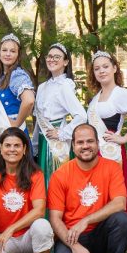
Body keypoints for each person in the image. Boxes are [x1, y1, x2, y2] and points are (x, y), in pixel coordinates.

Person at [47, 123, 127, 253]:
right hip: (72, 235)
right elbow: (55, 219)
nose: (85, 146)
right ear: (73, 146)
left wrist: (86, 220)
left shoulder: (111, 168)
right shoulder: (61, 175)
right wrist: (75, 246)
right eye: (80, 142)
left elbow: (120, 203)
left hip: (100, 232)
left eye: (90, 141)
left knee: (123, 220)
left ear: (97, 143)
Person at [86, 51, 127, 212]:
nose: (101, 71)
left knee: (112, 194)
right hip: (94, 153)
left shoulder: (121, 93)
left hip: (110, 153)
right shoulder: (96, 97)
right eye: (97, 68)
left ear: (115, 68)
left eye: (106, 66)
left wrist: (124, 138)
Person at [33, 42, 86, 185]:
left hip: (57, 142)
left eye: (57, 57)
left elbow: (81, 116)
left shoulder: (65, 86)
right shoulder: (43, 86)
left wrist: (62, 133)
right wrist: (35, 146)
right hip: (44, 139)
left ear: (66, 62)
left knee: (56, 180)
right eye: (50, 56)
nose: (52, 60)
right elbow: (39, 119)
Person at [0, 33, 35, 136]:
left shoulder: (16, 74)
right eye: (4, 50)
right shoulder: (1, 76)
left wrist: (16, 124)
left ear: (18, 55)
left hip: (13, 134)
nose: (8, 54)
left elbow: (29, 100)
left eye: (13, 51)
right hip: (2, 131)